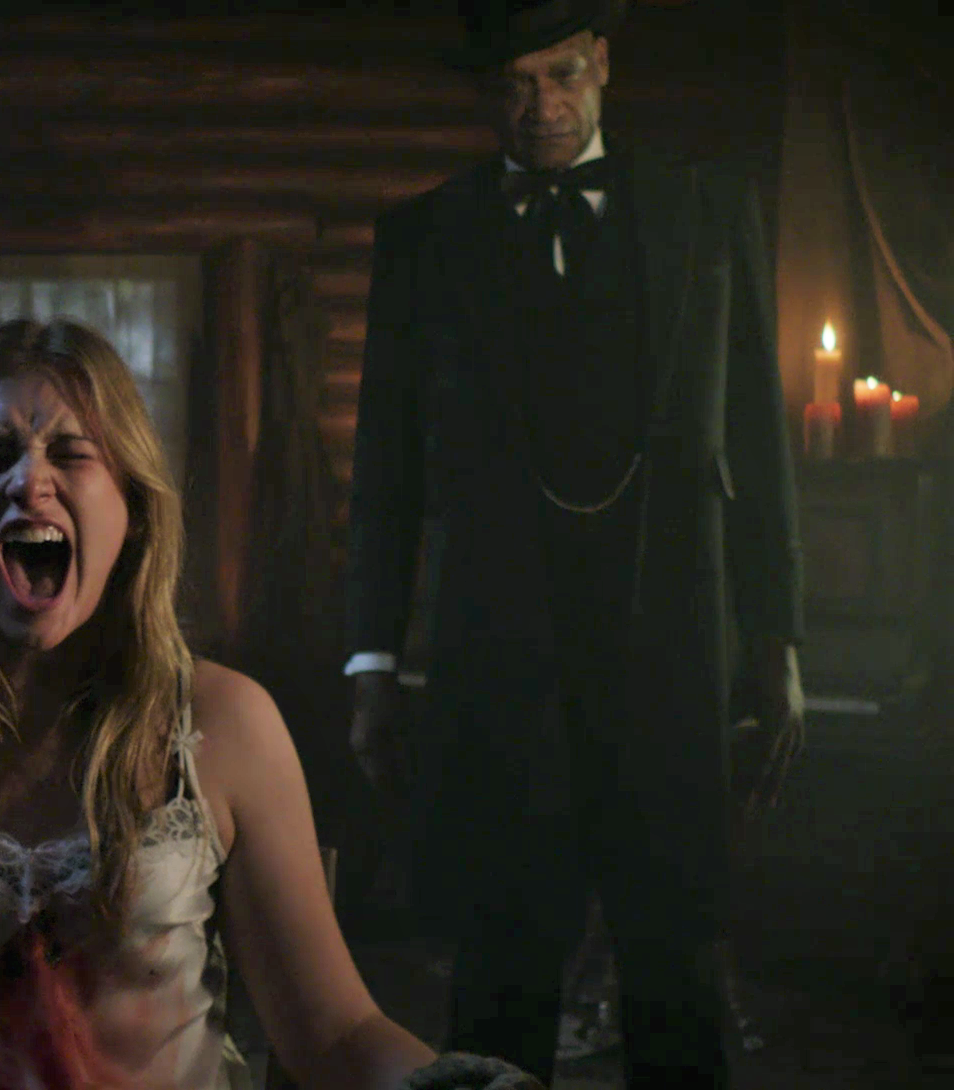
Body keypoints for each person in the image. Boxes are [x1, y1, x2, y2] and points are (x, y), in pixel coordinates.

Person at [0, 318, 540, 1090]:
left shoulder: (229, 722)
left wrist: (450, 1086)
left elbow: (334, 1033)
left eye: (71, 453)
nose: (31, 483)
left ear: (132, 506)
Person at [344, 1, 805, 1088]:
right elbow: (385, 468)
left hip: (671, 661)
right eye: (514, 83)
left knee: (678, 983)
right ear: (485, 92)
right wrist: (372, 662)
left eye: (560, 75)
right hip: (501, 673)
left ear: (602, 62)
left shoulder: (708, 213)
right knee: (499, 990)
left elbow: (757, 444)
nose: (540, 106)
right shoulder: (425, 239)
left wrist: (777, 639)